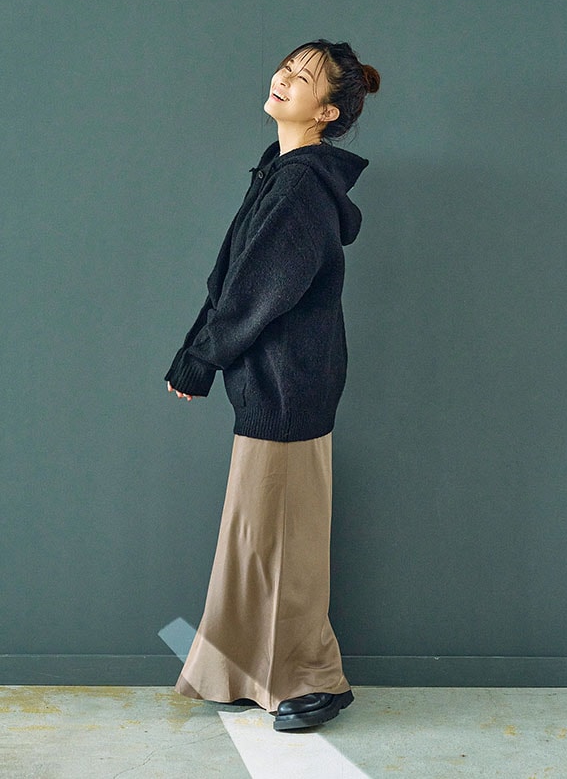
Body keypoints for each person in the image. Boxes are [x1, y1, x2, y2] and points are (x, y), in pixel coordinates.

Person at [165, 39, 380, 731]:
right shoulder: (280, 175)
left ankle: (315, 680)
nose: (284, 79)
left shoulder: (300, 187)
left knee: (286, 540)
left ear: (327, 112)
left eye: (303, 78)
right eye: (286, 67)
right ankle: (241, 671)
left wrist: (200, 358)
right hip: (272, 383)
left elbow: (259, 289)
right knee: (257, 534)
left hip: (290, 387)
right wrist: (198, 353)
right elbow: (230, 279)